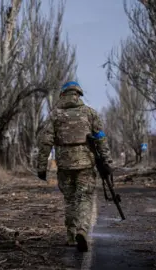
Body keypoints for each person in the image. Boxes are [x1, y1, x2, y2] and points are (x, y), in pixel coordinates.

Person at [36, 81, 113, 252]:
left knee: (70, 200)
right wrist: (107, 162)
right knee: (84, 198)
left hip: (64, 166)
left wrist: (42, 167)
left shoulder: (54, 115)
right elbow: (101, 138)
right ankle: (82, 231)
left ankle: (71, 236)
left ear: (62, 95)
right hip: (86, 163)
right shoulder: (90, 113)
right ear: (78, 95)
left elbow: (46, 141)